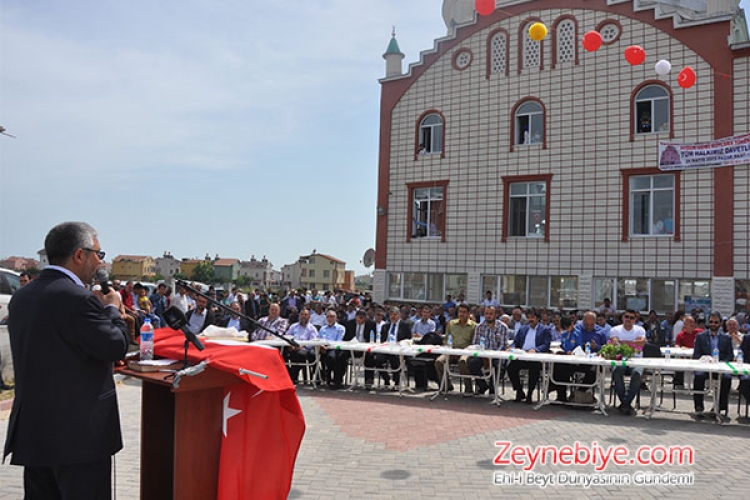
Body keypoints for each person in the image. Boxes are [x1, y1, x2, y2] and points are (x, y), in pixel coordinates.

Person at [3, 221, 129, 499]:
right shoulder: (77, 299)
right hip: (80, 439)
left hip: (36, 434)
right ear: (79, 255)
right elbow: (115, 346)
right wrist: (112, 310)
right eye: (98, 253)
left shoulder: (23, 297)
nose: (100, 261)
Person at [692, 312, 734, 420]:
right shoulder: (701, 336)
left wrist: (721, 362)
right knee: (698, 376)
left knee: (727, 378)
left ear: (720, 323)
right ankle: (699, 407)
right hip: (705, 366)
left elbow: (730, 355)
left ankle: (719, 407)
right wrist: (705, 359)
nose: (713, 324)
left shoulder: (726, 338)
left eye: (716, 322)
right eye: (711, 322)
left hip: (720, 367)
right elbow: (696, 354)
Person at [507, 308, 552, 403]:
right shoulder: (523, 329)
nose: (530, 319)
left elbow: (546, 344)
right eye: (528, 317)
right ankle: (519, 391)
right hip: (522, 356)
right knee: (511, 367)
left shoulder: (545, 330)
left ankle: (530, 394)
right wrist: (512, 348)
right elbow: (516, 342)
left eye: (533, 317)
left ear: (538, 318)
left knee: (534, 369)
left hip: (536, 358)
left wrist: (536, 350)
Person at [609, 310, 646, 415]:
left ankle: (625, 403)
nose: (628, 319)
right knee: (616, 372)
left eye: (631, 318)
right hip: (620, 359)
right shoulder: (615, 329)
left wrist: (625, 342)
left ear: (635, 320)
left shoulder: (640, 330)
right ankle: (626, 404)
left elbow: (642, 343)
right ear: (622, 318)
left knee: (637, 375)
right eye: (626, 317)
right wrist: (634, 342)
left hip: (637, 359)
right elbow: (615, 343)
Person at [434, 303, 476, 394]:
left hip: (466, 352)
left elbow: (474, 343)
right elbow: (446, 339)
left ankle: (468, 389)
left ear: (469, 314)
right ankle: (447, 386)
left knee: (463, 362)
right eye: (460, 311)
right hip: (452, 350)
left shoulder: (474, 326)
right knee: (439, 362)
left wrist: (466, 350)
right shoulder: (451, 324)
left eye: (464, 312)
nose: (461, 314)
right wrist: (448, 347)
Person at [467, 306, 509, 396]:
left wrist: (492, 355)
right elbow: (476, 343)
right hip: (482, 355)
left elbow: (503, 345)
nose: (488, 316)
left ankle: (492, 390)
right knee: (472, 363)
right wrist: (484, 354)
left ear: (496, 315)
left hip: (497, 355)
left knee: (499, 366)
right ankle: (483, 385)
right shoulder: (479, 327)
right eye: (486, 314)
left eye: (491, 314)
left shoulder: (503, 327)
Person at [284, 308, 320, 383]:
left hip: (306, 350)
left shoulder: (312, 328)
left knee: (299, 355)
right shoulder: (293, 326)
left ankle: (293, 377)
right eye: (302, 314)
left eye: (306, 315)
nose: (303, 316)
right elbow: (287, 337)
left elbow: (313, 341)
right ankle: (290, 376)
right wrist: (290, 345)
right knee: (283, 354)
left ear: (309, 317)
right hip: (293, 348)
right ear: (299, 316)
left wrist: (301, 346)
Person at [319, 309, 347, 389]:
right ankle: (325, 378)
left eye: (332, 316)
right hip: (322, 349)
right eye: (328, 317)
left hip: (335, 349)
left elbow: (338, 341)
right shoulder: (323, 328)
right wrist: (321, 345)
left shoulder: (341, 328)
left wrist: (327, 346)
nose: (329, 318)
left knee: (335, 357)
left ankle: (336, 380)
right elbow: (318, 339)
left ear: (336, 318)